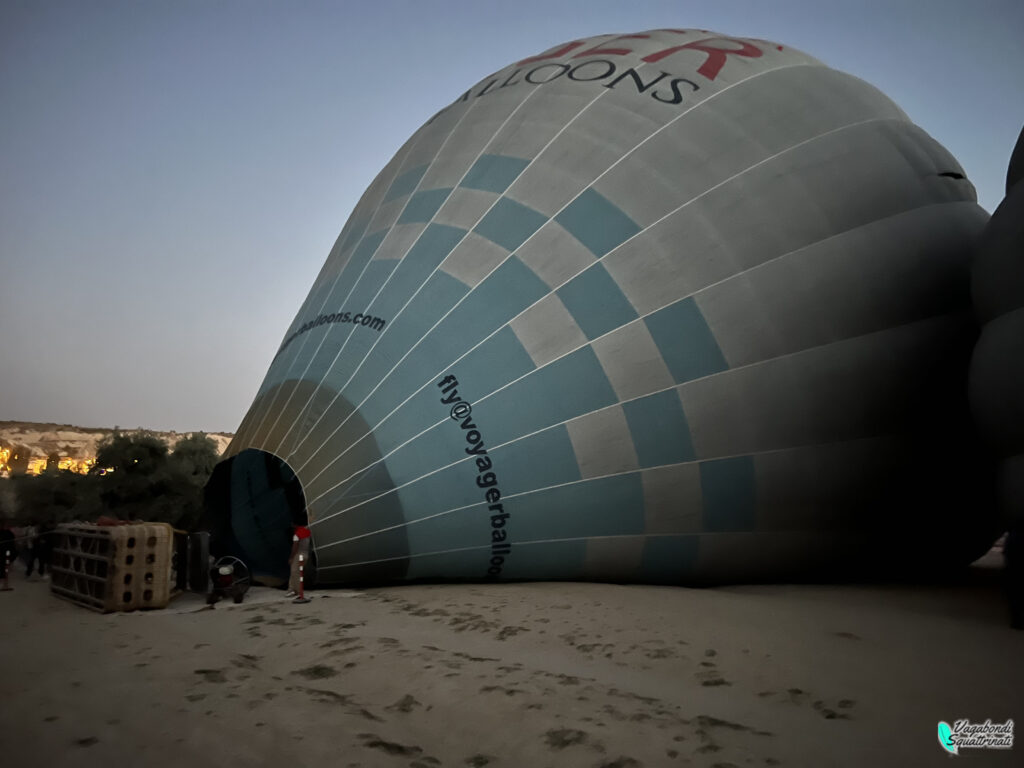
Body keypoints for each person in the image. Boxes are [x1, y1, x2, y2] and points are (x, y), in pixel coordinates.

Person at [287, 524, 312, 597]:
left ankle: (298, 591)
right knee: (294, 572)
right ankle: (291, 589)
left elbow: (295, 547)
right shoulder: (307, 532)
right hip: (306, 555)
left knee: (295, 573)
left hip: (299, 555)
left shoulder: (296, 535)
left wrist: (291, 557)